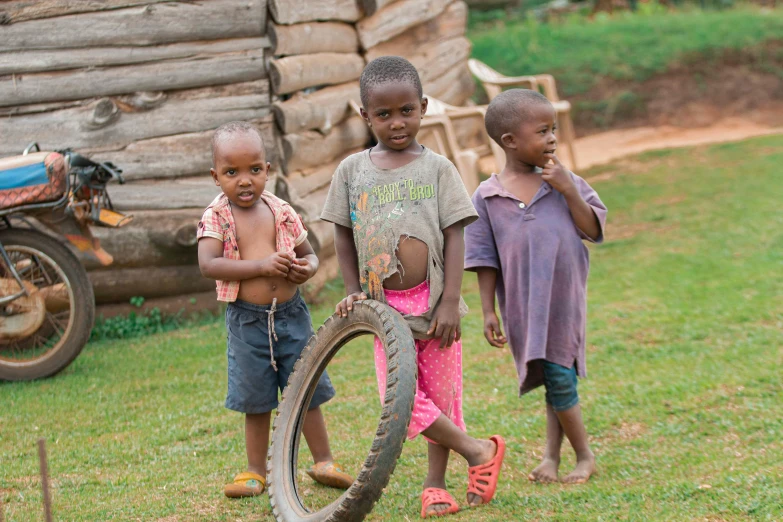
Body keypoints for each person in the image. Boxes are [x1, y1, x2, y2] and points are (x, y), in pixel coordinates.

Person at [320, 57, 506, 519]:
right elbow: (343, 232)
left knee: (442, 396)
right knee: (397, 400)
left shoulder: (438, 168)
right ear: (365, 116)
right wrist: (352, 289)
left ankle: (435, 486)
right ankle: (479, 450)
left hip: (433, 303)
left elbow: (457, 233)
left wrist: (448, 301)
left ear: (423, 107)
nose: (396, 122)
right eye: (383, 115)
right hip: (385, 308)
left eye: (406, 110)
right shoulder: (351, 171)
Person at [197, 121, 353, 499]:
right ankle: (254, 471)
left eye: (254, 169)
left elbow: (311, 255)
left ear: (268, 170)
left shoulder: (281, 209)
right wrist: (261, 267)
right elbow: (209, 264)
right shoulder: (217, 216)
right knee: (256, 396)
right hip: (247, 320)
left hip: (291, 315)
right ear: (215, 177)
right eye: (232, 172)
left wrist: (306, 270)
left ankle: (324, 460)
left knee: (305, 384)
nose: (245, 180)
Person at [464, 89, 607, 484]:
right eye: (542, 131)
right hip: (522, 305)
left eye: (553, 130)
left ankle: (583, 455)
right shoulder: (487, 196)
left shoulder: (565, 181)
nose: (552, 139)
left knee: (559, 373)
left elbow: (592, 229)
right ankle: (551, 458)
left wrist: (568, 190)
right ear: (510, 140)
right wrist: (488, 310)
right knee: (548, 373)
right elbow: (484, 258)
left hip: (563, 298)